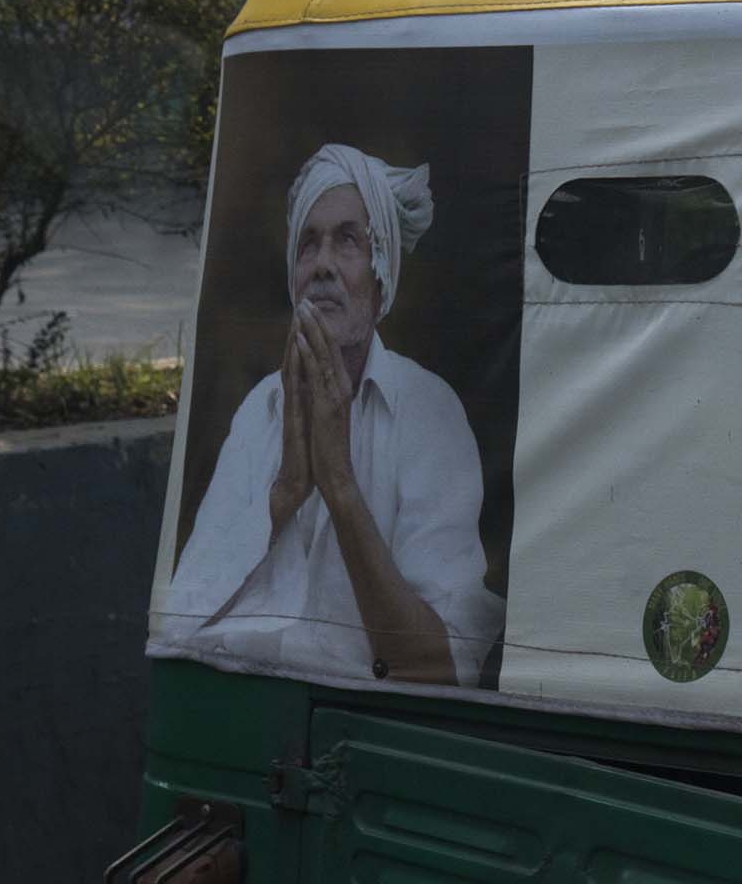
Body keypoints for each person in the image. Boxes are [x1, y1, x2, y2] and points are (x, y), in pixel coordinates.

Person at [156, 144, 502, 685]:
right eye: (308, 244)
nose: (322, 265)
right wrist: (287, 491)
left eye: (347, 240)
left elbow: (443, 664)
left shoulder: (427, 412)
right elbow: (176, 625)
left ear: (381, 275)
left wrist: (339, 484)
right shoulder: (260, 410)